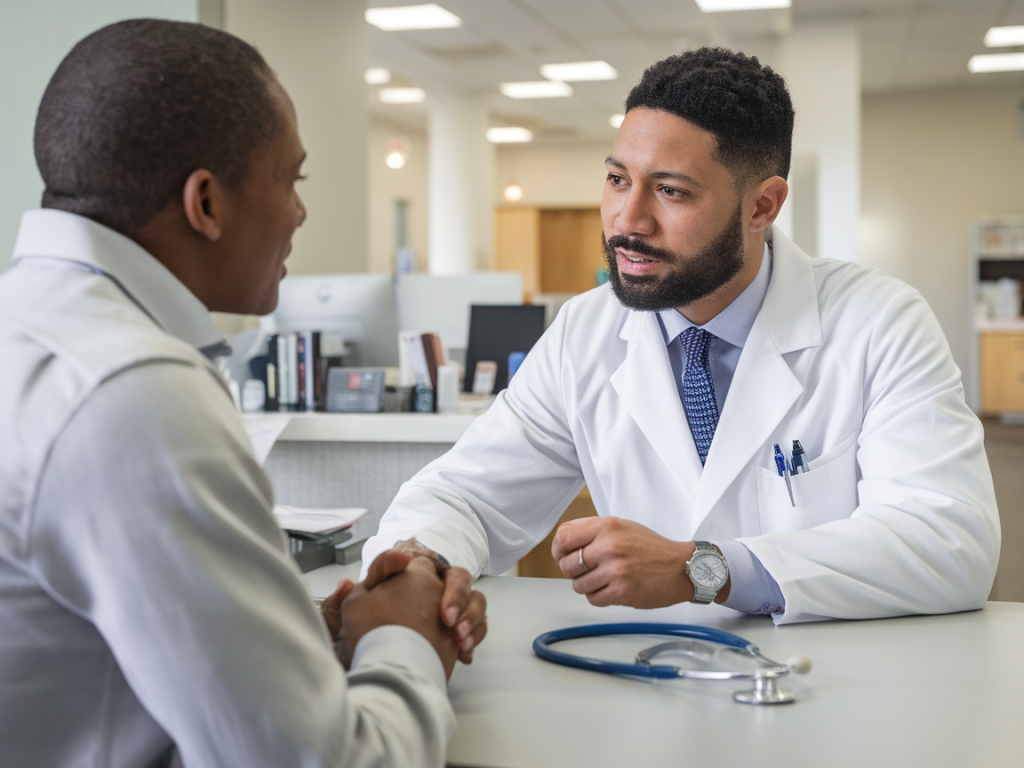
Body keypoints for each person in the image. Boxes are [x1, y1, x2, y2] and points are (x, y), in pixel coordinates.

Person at [363, 47, 1000, 626]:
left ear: (762, 207)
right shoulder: (584, 333)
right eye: (617, 180)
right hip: (652, 689)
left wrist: (705, 568)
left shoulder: (880, 322)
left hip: (835, 697)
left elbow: (948, 541)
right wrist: (419, 562)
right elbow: (467, 494)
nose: (627, 221)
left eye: (669, 191)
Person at [0, 19, 484, 767]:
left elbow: (78, 649)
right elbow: (321, 760)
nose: (299, 212)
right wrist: (403, 640)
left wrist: (306, 634)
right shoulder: (133, 394)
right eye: (291, 179)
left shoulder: (32, 329)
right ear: (207, 204)